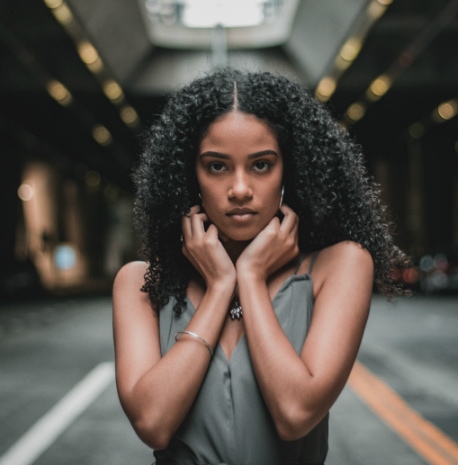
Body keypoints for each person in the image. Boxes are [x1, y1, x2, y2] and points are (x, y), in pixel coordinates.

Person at [113, 68, 409, 464]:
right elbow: (153, 422)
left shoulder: (340, 265)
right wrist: (221, 286)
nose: (239, 189)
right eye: (217, 166)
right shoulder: (141, 283)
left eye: (261, 165)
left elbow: (295, 414)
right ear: (190, 175)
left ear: (289, 169)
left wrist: (250, 278)